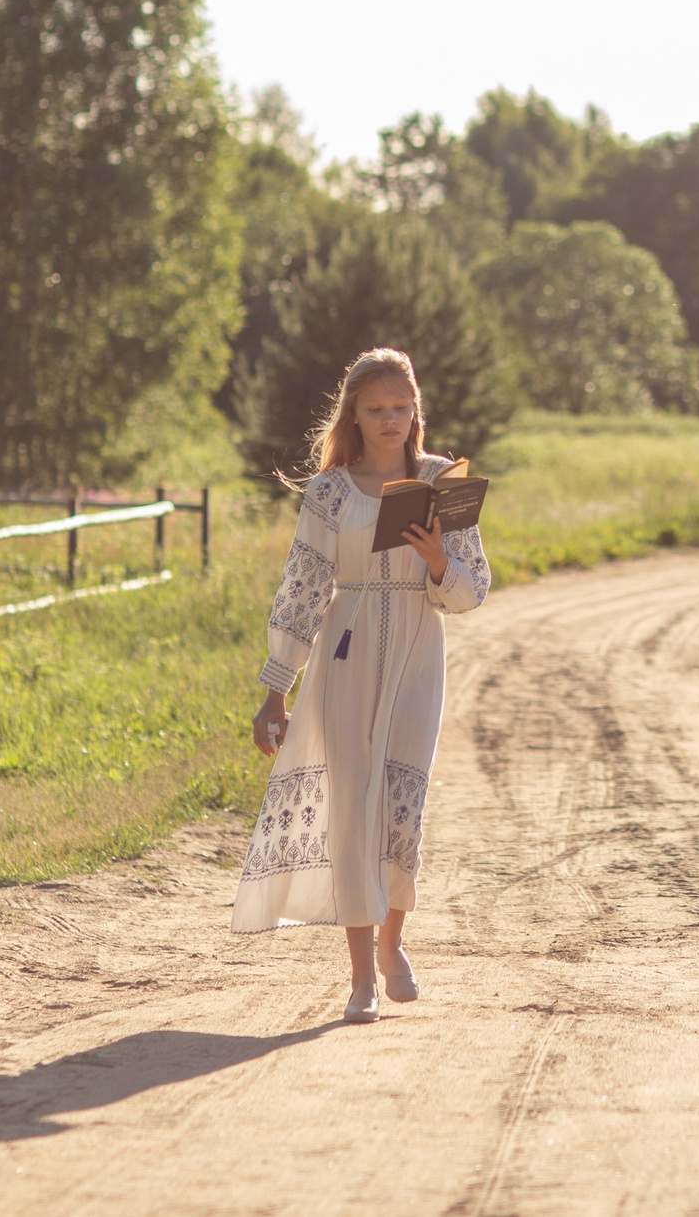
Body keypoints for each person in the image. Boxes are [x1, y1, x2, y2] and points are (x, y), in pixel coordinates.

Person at [233, 348, 491, 1023]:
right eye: (377, 409)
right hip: (345, 654)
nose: (391, 420)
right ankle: (359, 979)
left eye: (402, 408)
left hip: (417, 654)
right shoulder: (330, 492)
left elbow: (471, 591)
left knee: (402, 802)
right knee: (352, 805)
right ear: (354, 412)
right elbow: (304, 587)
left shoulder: (443, 482)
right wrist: (275, 687)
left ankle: (393, 942)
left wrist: (438, 560)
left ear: (417, 410)